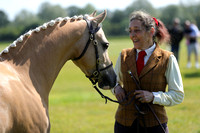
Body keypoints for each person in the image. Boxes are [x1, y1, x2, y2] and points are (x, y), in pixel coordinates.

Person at [112, 10, 184, 133]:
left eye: (137, 30)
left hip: (155, 126)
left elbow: (178, 95)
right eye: (130, 31)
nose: (132, 35)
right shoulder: (123, 55)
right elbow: (113, 81)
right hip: (123, 125)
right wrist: (116, 88)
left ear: (151, 31)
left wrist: (153, 97)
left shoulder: (168, 58)